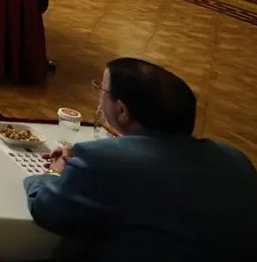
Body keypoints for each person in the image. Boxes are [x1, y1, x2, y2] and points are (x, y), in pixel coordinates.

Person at [24, 58, 257, 262]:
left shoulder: (102, 160)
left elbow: (47, 209)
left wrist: (55, 172)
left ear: (121, 111)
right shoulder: (237, 161)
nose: (98, 94)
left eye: (101, 88)